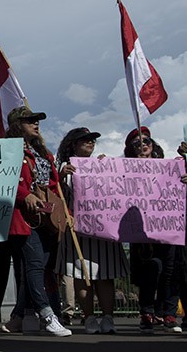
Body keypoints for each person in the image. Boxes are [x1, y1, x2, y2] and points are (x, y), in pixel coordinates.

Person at [1, 107, 72, 337]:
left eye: (36, 120)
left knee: (41, 267)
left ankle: (19, 317)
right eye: (29, 120)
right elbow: (5, 178)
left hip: (47, 218)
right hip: (24, 217)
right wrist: (24, 195)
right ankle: (47, 314)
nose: (35, 123)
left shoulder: (43, 153)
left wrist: (65, 210)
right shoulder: (8, 150)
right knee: (34, 265)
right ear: (16, 124)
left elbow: (53, 186)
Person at [55, 127, 129, 334]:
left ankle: (108, 317)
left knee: (106, 275)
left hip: (104, 229)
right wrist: (60, 177)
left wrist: (110, 168)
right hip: (79, 231)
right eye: (84, 140)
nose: (90, 143)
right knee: (82, 275)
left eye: (92, 140)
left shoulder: (102, 164)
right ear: (74, 144)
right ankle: (88, 318)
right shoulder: (65, 167)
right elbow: (55, 193)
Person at [126, 126, 187, 334]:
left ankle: (168, 313)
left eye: (146, 142)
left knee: (171, 271)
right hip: (141, 231)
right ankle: (147, 312)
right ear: (130, 149)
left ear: (153, 146)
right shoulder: (124, 169)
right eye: (137, 144)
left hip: (168, 228)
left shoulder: (169, 167)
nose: (143, 145)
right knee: (150, 270)